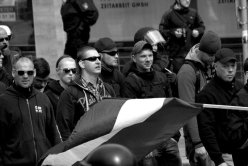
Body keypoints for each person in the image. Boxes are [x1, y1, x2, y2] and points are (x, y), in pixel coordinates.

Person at [122, 41, 181, 166]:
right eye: (143, 56)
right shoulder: (129, 82)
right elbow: (130, 117)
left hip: (166, 137)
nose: (148, 59)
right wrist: (141, 144)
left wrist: (174, 137)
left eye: (150, 55)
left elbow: (171, 108)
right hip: (145, 142)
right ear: (134, 58)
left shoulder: (162, 77)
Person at [0, 56, 61, 166]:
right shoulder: (3, 101)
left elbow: (54, 134)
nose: (25, 76)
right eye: (21, 72)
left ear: (34, 73)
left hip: (44, 163)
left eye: (29, 72)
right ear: (13, 73)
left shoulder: (43, 99)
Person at [177, 30, 221, 166]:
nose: (213, 59)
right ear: (200, 50)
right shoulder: (187, 72)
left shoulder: (208, 65)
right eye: (210, 55)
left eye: (215, 55)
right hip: (198, 137)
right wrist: (197, 143)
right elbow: (188, 110)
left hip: (211, 132)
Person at [56, 46, 115, 141]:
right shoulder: (69, 93)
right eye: (92, 59)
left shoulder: (108, 88)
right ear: (82, 64)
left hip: (107, 145)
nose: (98, 61)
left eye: (99, 58)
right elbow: (64, 129)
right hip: (82, 149)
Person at [196, 48, 244, 166]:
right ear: (215, 66)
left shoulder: (240, 87)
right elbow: (206, 129)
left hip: (243, 152)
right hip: (223, 155)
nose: (230, 70)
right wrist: (219, 160)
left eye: (233, 66)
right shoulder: (207, 94)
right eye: (225, 66)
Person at [159, 0, 205, 73]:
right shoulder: (169, 13)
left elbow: (202, 27)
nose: (188, 1)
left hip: (192, 53)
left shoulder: (194, 13)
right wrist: (173, 32)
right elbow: (162, 30)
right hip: (176, 54)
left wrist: (197, 31)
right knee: (178, 76)